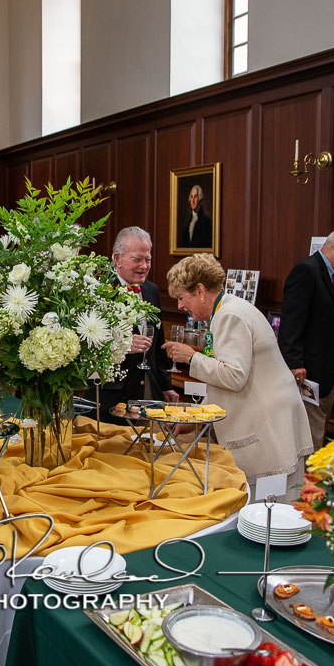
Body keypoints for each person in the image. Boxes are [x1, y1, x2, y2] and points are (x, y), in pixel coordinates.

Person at [162, 254, 311, 494]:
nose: (180, 306)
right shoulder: (229, 309)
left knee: (269, 505)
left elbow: (233, 376)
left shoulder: (229, 315)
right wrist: (195, 419)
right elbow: (223, 379)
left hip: (268, 426)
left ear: (200, 290)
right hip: (270, 418)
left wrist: (191, 358)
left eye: (181, 298)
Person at [278, 227, 334, 450]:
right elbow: (291, 323)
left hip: (329, 372)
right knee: (310, 438)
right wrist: (294, 364)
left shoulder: (329, 275)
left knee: (318, 432)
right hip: (309, 373)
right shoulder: (306, 271)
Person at [92, 227, 178, 424]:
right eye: (137, 259)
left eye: (148, 259)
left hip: (148, 391)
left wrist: (166, 385)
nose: (144, 266)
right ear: (117, 259)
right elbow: (88, 345)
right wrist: (122, 345)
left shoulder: (152, 290)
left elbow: (158, 346)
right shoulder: (98, 291)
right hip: (111, 395)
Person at [180, 184, 212, 249]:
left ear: (200, 199)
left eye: (196, 197)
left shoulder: (207, 222)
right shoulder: (188, 224)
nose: (193, 200)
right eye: (191, 197)